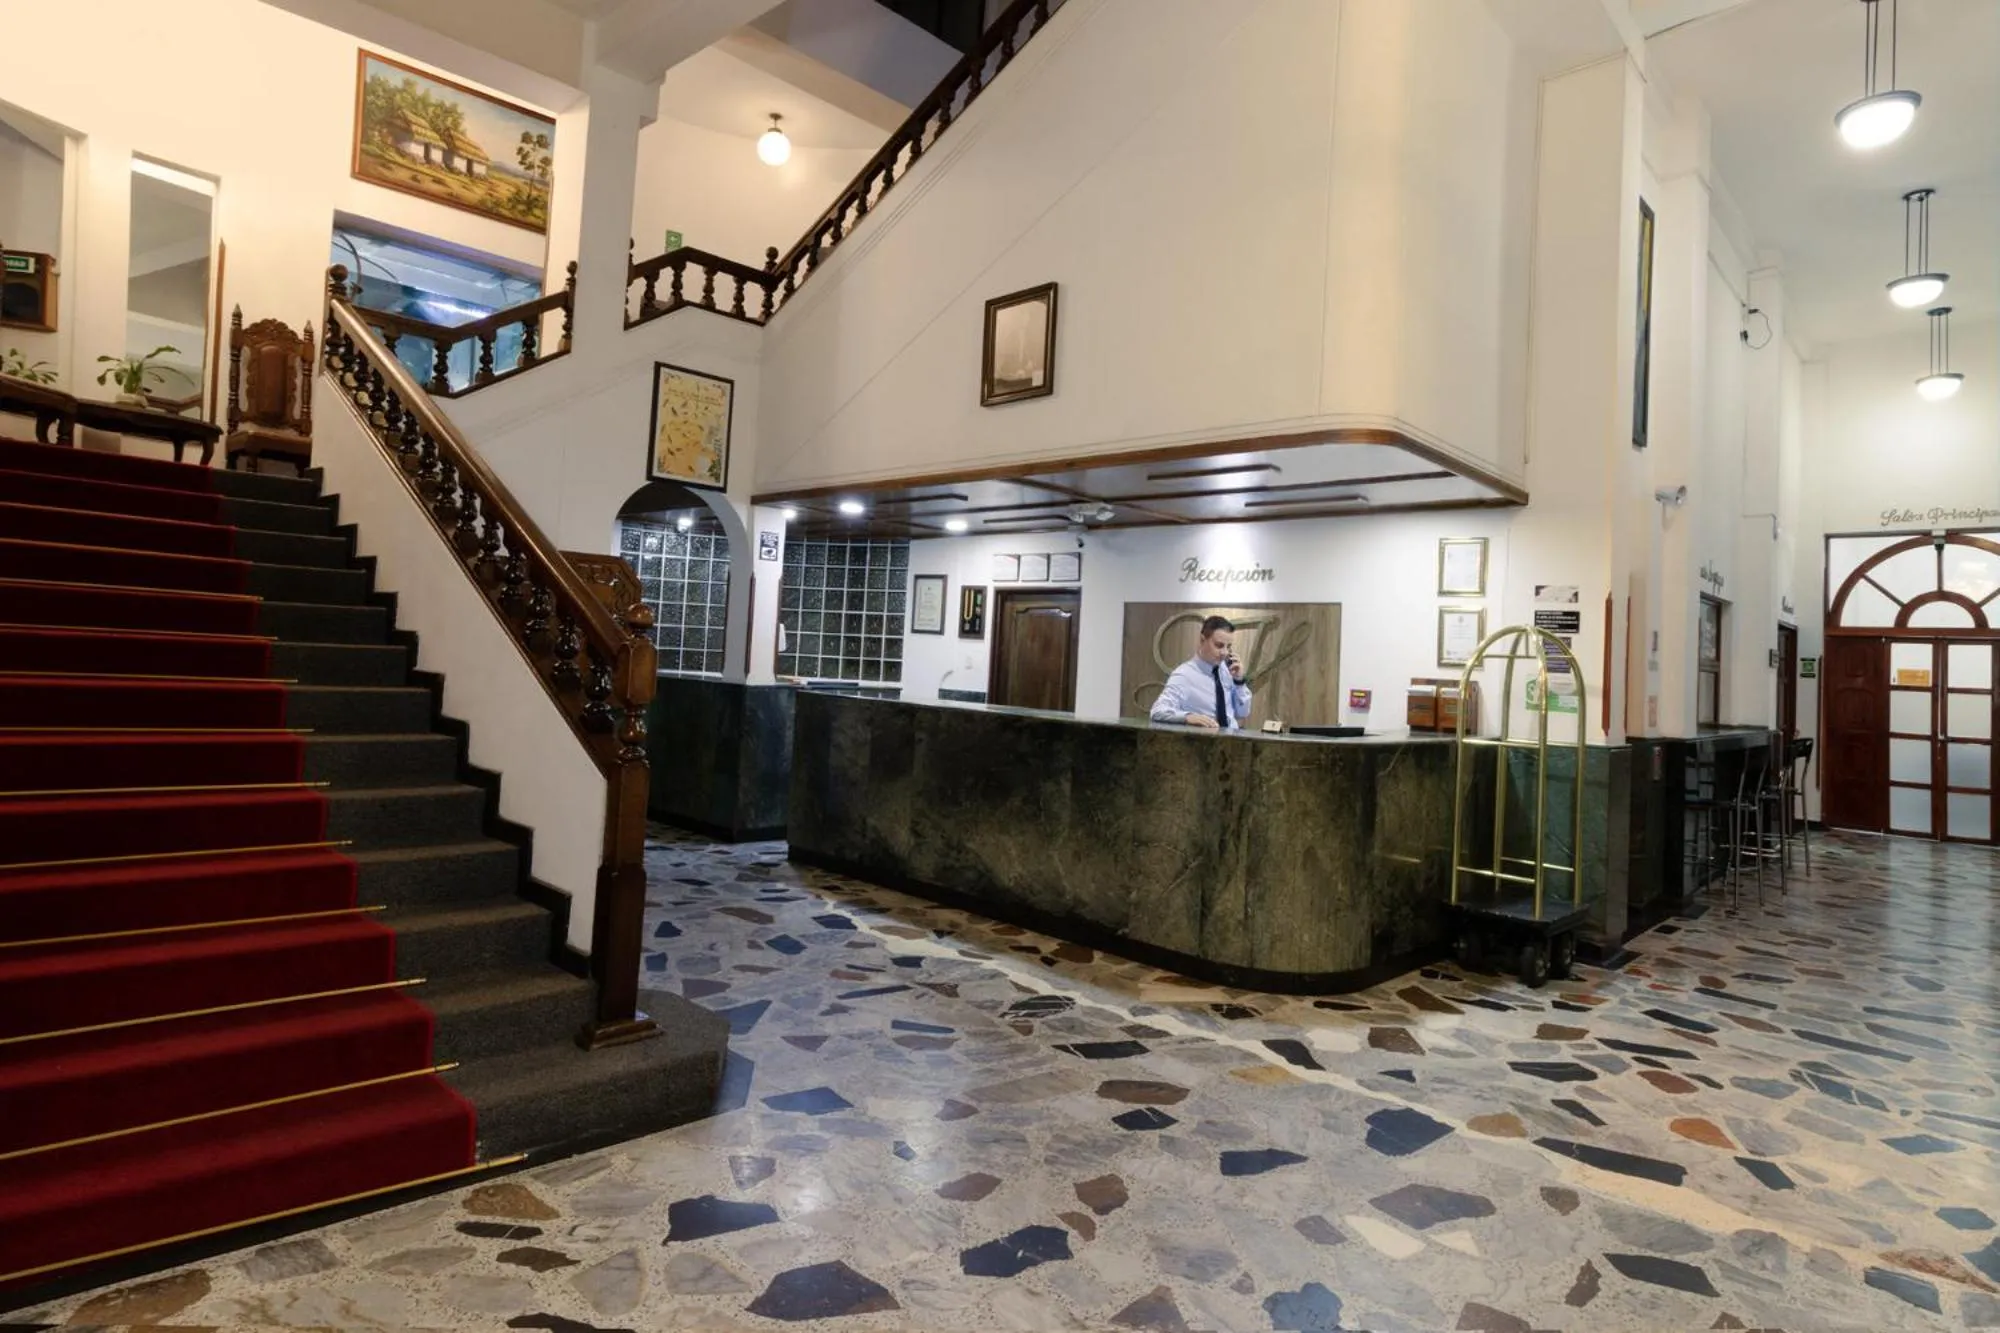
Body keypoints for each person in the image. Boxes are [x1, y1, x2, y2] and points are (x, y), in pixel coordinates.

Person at [1150, 615, 1251, 730]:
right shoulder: (1184, 675)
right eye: (1219, 645)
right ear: (1202, 640)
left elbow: (1242, 713)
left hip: (1232, 740)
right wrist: (1188, 717)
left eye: (1228, 647)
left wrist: (1239, 681)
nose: (1224, 652)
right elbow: (1157, 711)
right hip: (1203, 743)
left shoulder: (1227, 671)